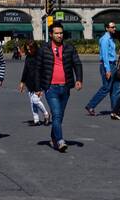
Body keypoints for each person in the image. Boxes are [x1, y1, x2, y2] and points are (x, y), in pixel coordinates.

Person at [33, 23, 84, 152]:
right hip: (51, 88)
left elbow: (77, 63)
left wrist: (79, 79)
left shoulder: (69, 47)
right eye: (56, 33)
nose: (59, 35)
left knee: (59, 116)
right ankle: (60, 141)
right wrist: (38, 88)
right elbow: (38, 69)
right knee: (56, 114)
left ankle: (54, 138)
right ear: (51, 34)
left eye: (61, 33)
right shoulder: (43, 49)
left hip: (65, 87)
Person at [84, 21, 120, 116]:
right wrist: (108, 70)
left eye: (115, 27)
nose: (114, 29)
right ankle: (90, 105)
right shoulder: (105, 39)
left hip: (113, 65)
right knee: (106, 88)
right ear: (107, 28)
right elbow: (104, 56)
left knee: (116, 88)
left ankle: (115, 110)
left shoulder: (111, 38)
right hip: (107, 65)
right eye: (112, 27)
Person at [18, 39, 50, 126]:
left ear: (35, 48)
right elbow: (26, 70)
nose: (29, 51)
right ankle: (36, 120)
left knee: (36, 100)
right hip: (29, 82)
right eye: (27, 49)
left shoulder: (40, 56)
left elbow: (43, 71)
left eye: (31, 49)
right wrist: (22, 82)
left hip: (39, 82)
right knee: (32, 102)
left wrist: (39, 87)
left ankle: (46, 114)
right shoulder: (28, 56)